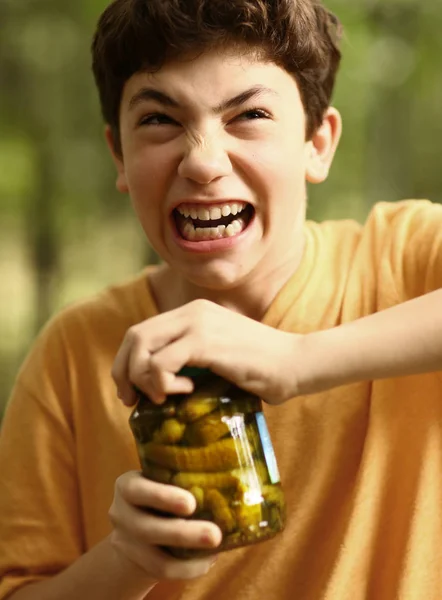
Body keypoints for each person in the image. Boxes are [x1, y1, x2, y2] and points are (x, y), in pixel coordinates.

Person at [1, 0, 441, 598]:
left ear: (318, 141)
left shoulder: (405, 260)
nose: (203, 162)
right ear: (118, 154)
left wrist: (300, 359)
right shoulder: (72, 354)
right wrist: (126, 562)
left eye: (250, 114)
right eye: (159, 119)